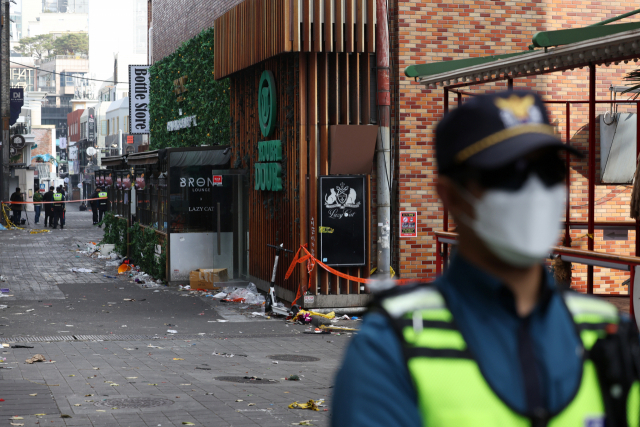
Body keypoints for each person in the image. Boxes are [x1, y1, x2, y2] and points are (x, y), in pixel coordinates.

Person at [332, 91, 640, 427]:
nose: (535, 191)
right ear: (452, 196)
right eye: (507, 174)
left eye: (550, 171)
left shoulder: (608, 333)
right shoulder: (392, 343)